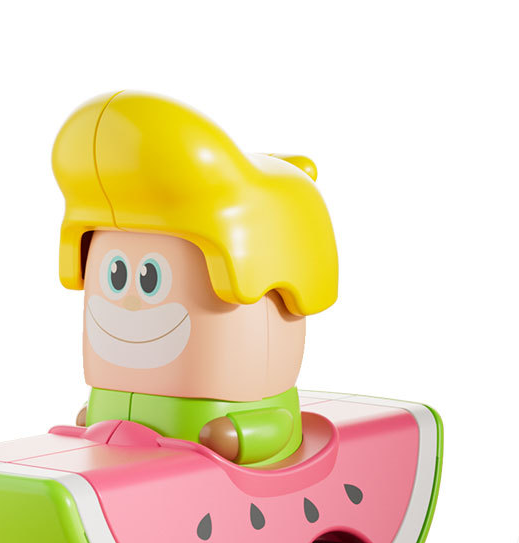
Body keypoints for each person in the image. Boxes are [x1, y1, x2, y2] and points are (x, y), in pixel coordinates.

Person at [52, 91, 338, 467]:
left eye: (150, 279)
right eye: (115, 274)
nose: (131, 301)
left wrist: (241, 435)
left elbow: (278, 427)